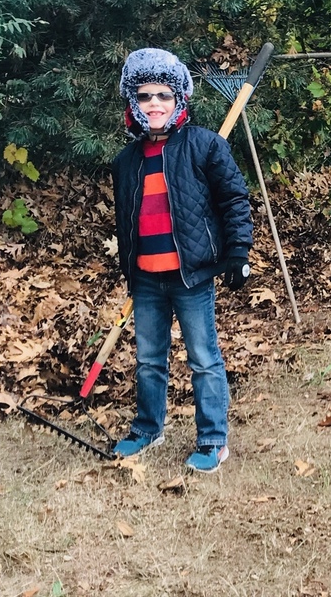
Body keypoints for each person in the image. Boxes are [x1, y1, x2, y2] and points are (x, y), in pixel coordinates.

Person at [110, 48, 253, 473]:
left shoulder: (204, 145)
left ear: (179, 100)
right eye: (145, 96)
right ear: (133, 104)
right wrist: (130, 269)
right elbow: (126, 220)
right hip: (146, 280)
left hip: (191, 277)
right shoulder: (126, 160)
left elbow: (234, 200)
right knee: (149, 359)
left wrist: (238, 253)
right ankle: (148, 427)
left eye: (164, 95)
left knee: (203, 358)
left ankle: (213, 438)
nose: (154, 104)